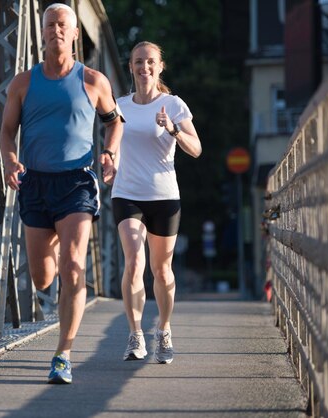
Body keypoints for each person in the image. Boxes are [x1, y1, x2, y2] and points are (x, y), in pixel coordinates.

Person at [0, 3, 123, 384]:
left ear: (74, 34)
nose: (56, 29)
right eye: (50, 23)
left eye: (62, 24)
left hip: (77, 184)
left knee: (73, 268)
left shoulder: (94, 80)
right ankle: (51, 248)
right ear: (42, 32)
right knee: (42, 278)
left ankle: (63, 353)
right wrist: (9, 160)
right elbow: (6, 132)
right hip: (35, 184)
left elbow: (114, 121)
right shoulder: (23, 82)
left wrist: (109, 151)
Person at [111, 41, 201, 364]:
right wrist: (110, 162)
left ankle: (163, 329)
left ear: (160, 66)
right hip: (126, 193)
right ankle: (135, 335)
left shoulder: (174, 105)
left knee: (161, 271)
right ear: (131, 66)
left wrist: (173, 129)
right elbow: (115, 144)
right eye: (138, 62)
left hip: (164, 196)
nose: (144, 67)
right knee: (134, 262)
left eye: (150, 62)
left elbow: (196, 148)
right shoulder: (119, 106)